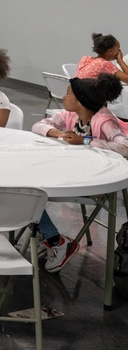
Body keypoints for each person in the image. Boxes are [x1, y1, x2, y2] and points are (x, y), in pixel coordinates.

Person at [31, 74, 128, 271]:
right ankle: (51, 238)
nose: (64, 97)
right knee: (27, 185)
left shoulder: (103, 120)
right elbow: (38, 125)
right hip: (73, 173)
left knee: (30, 192)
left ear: (81, 101)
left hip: (95, 182)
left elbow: (125, 147)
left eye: (68, 94)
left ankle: (54, 240)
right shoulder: (72, 116)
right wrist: (58, 133)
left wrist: (85, 141)